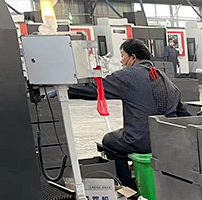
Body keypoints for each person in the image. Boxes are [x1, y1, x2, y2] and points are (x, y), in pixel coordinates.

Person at [70, 38, 190, 189]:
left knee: (109, 141)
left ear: (133, 57)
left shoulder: (128, 76)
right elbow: (183, 113)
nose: (121, 61)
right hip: (168, 139)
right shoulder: (164, 78)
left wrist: (63, 90)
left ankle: (129, 187)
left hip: (141, 140)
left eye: (122, 55)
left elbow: (96, 89)